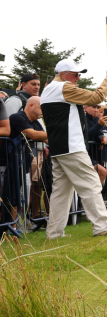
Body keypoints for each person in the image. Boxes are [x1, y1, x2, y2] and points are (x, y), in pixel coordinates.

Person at [39, 59, 107, 238]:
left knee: (61, 192)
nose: (78, 77)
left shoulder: (47, 89)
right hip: (71, 146)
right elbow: (96, 97)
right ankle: (102, 226)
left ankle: (54, 233)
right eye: (75, 74)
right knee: (92, 183)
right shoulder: (63, 88)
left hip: (59, 147)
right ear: (63, 75)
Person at [9, 96, 48, 229]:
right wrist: (58, 133)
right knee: (12, 195)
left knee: (23, 194)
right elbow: (34, 135)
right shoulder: (17, 117)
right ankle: (11, 227)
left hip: (23, 164)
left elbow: (45, 137)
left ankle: (18, 225)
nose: (44, 110)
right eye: (42, 106)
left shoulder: (35, 121)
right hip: (9, 163)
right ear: (31, 106)